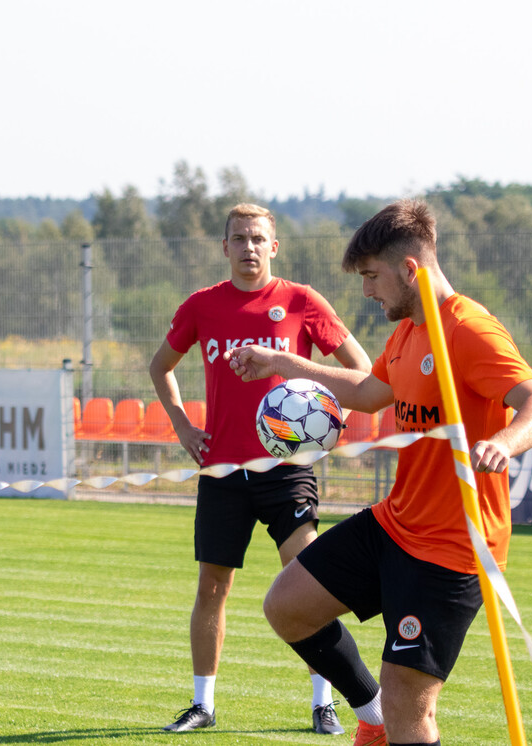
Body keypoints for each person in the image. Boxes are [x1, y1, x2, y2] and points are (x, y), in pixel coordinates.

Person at [224, 199, 532, 746]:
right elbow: (365, 393)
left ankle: (390, 722)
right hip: (395, 525)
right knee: (286, 607)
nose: (366, 291)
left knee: (410, 702)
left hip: (452, 548)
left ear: (410, 270)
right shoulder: (406, 334)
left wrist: (503, 441)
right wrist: (281, 361)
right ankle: (371, 716)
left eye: (371, 276)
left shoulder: (470, 330)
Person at [149, 203, 372, 735]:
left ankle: (326, 703)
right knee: (212, 587)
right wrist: (182, 426)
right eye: (239, 239)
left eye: (258, 239)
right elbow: (160, 366)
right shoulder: (202, 306)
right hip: (222, 469)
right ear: (224, 248)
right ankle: (203, 704)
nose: (249, 247)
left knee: (312, 582)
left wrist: (317, 403)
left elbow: (361, 370)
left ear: (274, 247)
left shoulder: (300, 302)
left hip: (287, 466)